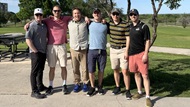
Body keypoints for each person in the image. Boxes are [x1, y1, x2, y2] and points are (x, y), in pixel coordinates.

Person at [44, 5, 72, 95]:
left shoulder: (65, 19)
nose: (57, 12)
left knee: (63, 66)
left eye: (58, 11)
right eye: (55, 11)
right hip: (51, 46)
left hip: (62, 46)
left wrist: (86, 17)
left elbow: (77, 15)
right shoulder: (48, 20)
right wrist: (28, 23)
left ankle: (64, 85)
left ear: (61, 11)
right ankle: (51, 85)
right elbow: (38, 20)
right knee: (52, 67)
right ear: (52, 11)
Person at [127, 9, 152, 107]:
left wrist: (146, 54)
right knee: (136, 74)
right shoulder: (129, 27)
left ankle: (147, 97)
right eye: (131, 15)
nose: (133, 16)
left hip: (141, 54)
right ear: (129, 16)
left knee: (145, 75)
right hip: (131, 54)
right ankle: (139, 92)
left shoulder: (144, 26)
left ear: (138, 15)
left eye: (135, 14)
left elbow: (147, 41)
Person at [109, 8, 131, 99]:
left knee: (125, 71)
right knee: (115, 69)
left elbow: (128, 38)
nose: (115, 16)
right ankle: (117, 87)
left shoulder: (125, 24)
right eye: (113, 14)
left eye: (117, 14)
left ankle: (127, 90)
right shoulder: (109, 24)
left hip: (123, 49)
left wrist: (126, 51)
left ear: (119, 15)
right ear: (111, 15)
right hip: (113, 50)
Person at [25, 8, 47, 99]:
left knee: (40, 70)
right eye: (37, 15)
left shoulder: (43, 25)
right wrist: (35, 51)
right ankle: (34, 91)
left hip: (43, 51)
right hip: (35, 52)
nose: (39, 16)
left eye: (40, 15)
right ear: (34, 16)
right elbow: (28, 39)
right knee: (34, 71)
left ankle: (40, 85)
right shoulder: (32, 26)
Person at [86, 8, 109, 96]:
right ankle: (92, 87)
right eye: (95, 13)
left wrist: (105, 21)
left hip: (102, 50)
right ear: (93, 15)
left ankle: (99, 86)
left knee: (101, 69)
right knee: (91, 70)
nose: (96, 14)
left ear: (100, 14)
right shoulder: (89, 23)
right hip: (91, 50)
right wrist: (86, 18)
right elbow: (76, 18)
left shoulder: (105, 24)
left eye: (98, 13)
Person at [68, 8, 89, 92]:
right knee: (75, 68)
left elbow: (96, 19)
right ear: (73, 15)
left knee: (85, 68)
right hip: (73, 48)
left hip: (83, 48)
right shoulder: (69, 23)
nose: (77, 15)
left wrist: (87, 17)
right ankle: (77, 83)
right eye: (75, 13)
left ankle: (85, 83)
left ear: (81, 14)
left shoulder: (86, 22)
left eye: (78, 13)